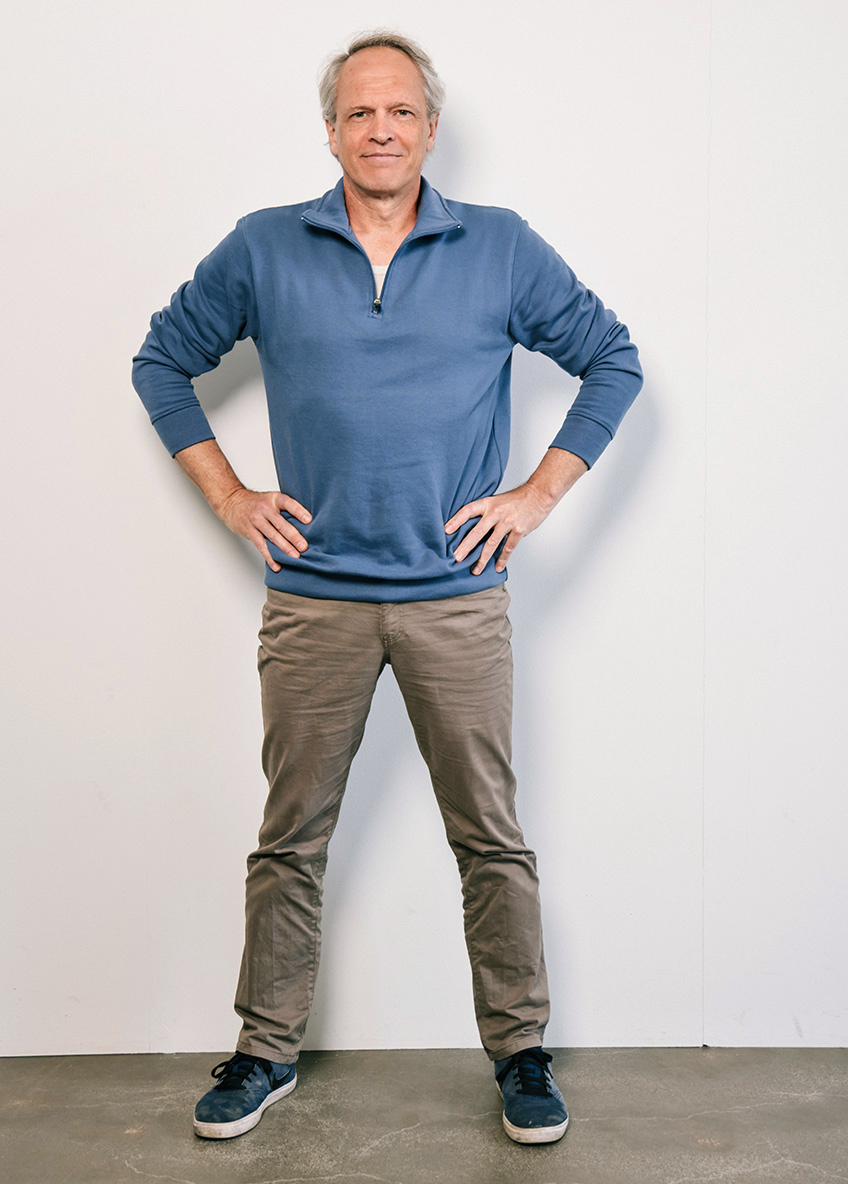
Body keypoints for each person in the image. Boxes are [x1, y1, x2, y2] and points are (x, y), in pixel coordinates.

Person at [132, 30, 642, 1146]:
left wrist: (535, 496)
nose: (380, 130)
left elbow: (612, 358)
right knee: (290, 837)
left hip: (457, 595)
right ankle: (266, 1049)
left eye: (400, 111)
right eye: (358, 112)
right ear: (329, 132)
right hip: (313, 596)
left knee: (489, 836)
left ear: (430, 128)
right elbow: (160, 361)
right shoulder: (264, 246)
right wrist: (231, 497)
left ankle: (520, 1052)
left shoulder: (499, 247)